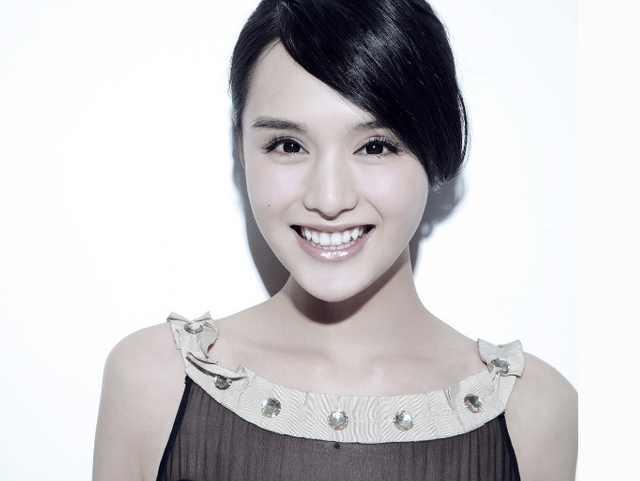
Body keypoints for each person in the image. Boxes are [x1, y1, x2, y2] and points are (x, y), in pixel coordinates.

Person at [92, 1, 578, 480]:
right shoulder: (153, 382)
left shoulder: (533, 412)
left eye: (375, 146)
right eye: (288, 145)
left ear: (436, 148)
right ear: (241, 149)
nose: (329, 198)